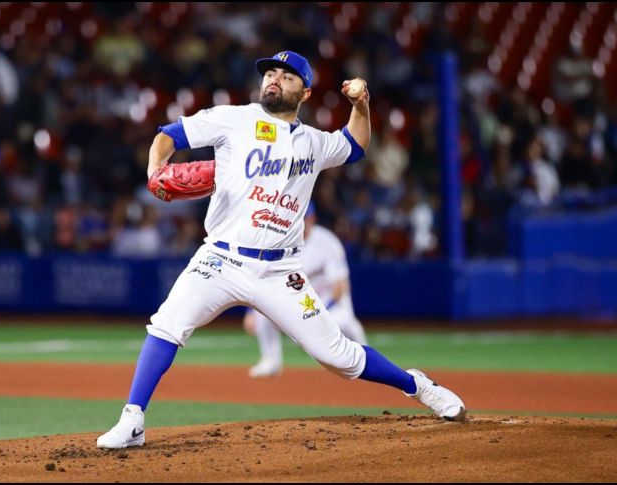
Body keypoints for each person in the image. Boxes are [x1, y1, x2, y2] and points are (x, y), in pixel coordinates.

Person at [96, 50, 466, 450]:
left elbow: (355, 145)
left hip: (280, 272)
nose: (274, 79)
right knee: (167, 324)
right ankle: (133, 419)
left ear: (305, 93)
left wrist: (361, 104)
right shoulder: (233, 118)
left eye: (286, 77)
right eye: (270, 73)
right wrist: (155, 170)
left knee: (338, 357)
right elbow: (168, 137)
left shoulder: (313, 143)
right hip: (220, 258)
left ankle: (418, 386)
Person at [243, 202, 367, 377]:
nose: (299, 221)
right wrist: (250, 311)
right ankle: (271, 361)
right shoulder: (279, 241)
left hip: (329, 301)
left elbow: (340, 288)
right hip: (298, 300)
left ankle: (365, 356)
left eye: (304, 217)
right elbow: (264, 279)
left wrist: (318, 315)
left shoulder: (327, 241)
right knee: (261, 315)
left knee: (345, 323)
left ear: (312, 218)